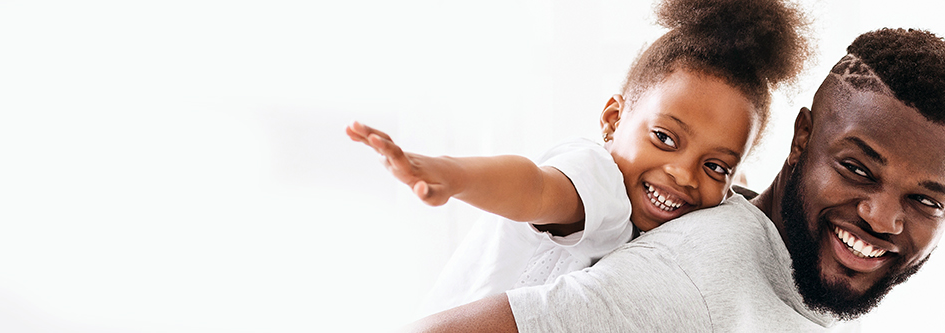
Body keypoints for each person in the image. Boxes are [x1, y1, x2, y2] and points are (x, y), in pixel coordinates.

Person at [409, 27, 945, 332]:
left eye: (926, 200)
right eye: (857, 169)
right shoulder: (691, 272)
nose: (883, 218)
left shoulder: (784, 269)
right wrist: (449, 175)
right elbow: (538, 189)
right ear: (802, 139)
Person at [346, 0, 810, 316]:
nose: (683, 174)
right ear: (612, 119)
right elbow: (535, 187)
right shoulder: (601, 180)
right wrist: (453, 174)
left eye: (715, 166)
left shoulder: (685, 228)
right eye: (666, 138)